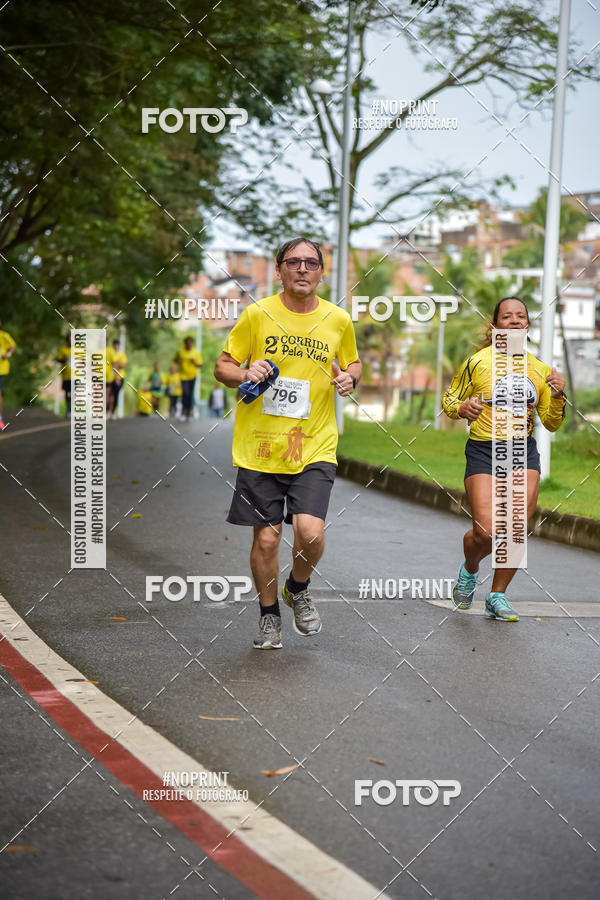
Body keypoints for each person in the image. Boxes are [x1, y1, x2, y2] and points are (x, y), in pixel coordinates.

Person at [214, 237, 362, 650]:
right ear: (278, 270)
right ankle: (268, 614)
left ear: (321, 272)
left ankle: (297, 587)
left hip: (314, 444)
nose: (302, 269)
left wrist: (350, 377)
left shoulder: (337, 319)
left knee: (310, 534)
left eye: (310, 263)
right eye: (293, 262)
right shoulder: (257, 315)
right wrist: (245, 372)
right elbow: (222, 367)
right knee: (266, 539)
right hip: (261, 446)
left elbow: (351, 361)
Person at [442, 296, 566, 622]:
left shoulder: (539, 369)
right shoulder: (477, 362)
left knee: (515, 528)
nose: (513, 321)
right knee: (485, 531)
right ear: (495, 325)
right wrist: (460, 408)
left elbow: (552, 422)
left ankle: (497, 595)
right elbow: (450, 398)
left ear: (527, 324)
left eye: (520, 316)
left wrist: (558, 396)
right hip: (484, 450)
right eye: (506, 316)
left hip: (522, 452)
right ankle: (470, 570)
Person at [175, 336, 202, 421]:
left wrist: (195, 362)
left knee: (190, 394)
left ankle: (189, 413)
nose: (189, 344)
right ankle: (184, 412)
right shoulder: (181, 351)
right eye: (187, 343)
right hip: (183, 376)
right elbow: (175, 360)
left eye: (191, 343)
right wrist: (178, 361)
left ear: (192, 343)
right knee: (185, 393)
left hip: (193, 376)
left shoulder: (196, 353)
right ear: (185, 343)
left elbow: (200, 365)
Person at [0, 320, 16, 431]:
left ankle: (0, 419)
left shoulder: (4, 335)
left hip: (2, 369)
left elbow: (13, 346)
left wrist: (8, 354)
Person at [109, 340, 128, 417]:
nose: (116, 346)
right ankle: (108, 411)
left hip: (120, 377)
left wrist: (116, 363)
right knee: (110, 395)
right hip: (110, 378)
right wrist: (117, 364)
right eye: (115, 345)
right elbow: (113, 365)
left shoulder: (122, 355)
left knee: (115, 395)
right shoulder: (110, 353)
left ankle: (112, 412)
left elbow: (123, 365)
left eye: (118, 345)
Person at [56, 335, 72, 416]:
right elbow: (58, 360)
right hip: (66, 375)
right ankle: (68, 410)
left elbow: (83, 361)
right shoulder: (63, 350)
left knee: (73, 393)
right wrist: (64, 359)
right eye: (69, 339)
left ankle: (71, 409)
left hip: (75, 376)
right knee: (67, 393)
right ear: (67, 341)